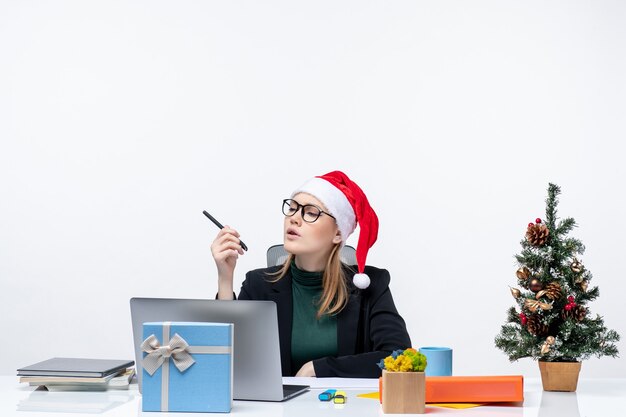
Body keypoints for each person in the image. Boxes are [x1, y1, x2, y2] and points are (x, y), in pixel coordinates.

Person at [211, 171, 411, 378]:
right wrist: (225, 279)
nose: (294, 219)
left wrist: (318, 369)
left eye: (311, 212)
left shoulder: (370, 286)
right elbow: (229, 361)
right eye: (292, 209)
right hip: (280, 410)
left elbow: (398, 358)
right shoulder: (258, 284)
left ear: (338, 233)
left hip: (345, 407)